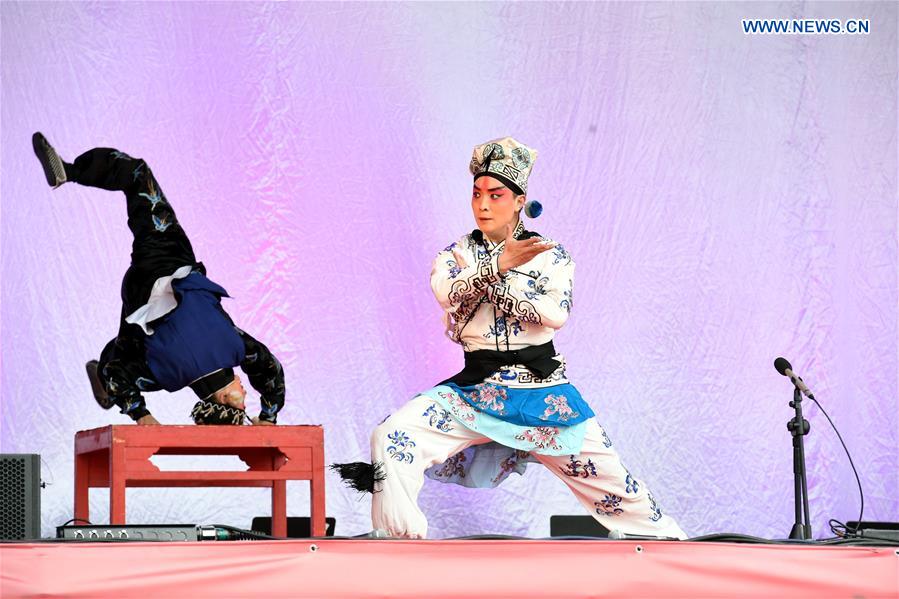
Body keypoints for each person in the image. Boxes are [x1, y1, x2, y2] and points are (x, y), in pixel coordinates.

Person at [336, 136, 686, 539]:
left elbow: (555, 314)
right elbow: (446, 292)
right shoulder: (456, 255)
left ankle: (671, 550)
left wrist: (500, 278)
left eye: (496, 195)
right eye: (477, 194)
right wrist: (497, 264)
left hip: (542, 393)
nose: (483, 205)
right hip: (474, 393)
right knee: (392, 436)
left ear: (519, 200)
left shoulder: (550, 255)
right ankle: (398, 548)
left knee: (617, 490)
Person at [32, 132, 285, 426]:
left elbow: (270, 369)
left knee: (138, 174)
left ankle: (72, 171)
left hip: (166, 262)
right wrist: (142, 414)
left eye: (242, 401)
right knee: (122, 354)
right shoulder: (165, 376)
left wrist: (269, 415)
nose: (245, 391)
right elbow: (120, 373)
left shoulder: (232, 345)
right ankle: (103, 378)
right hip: (138, 297)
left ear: (224, 399)